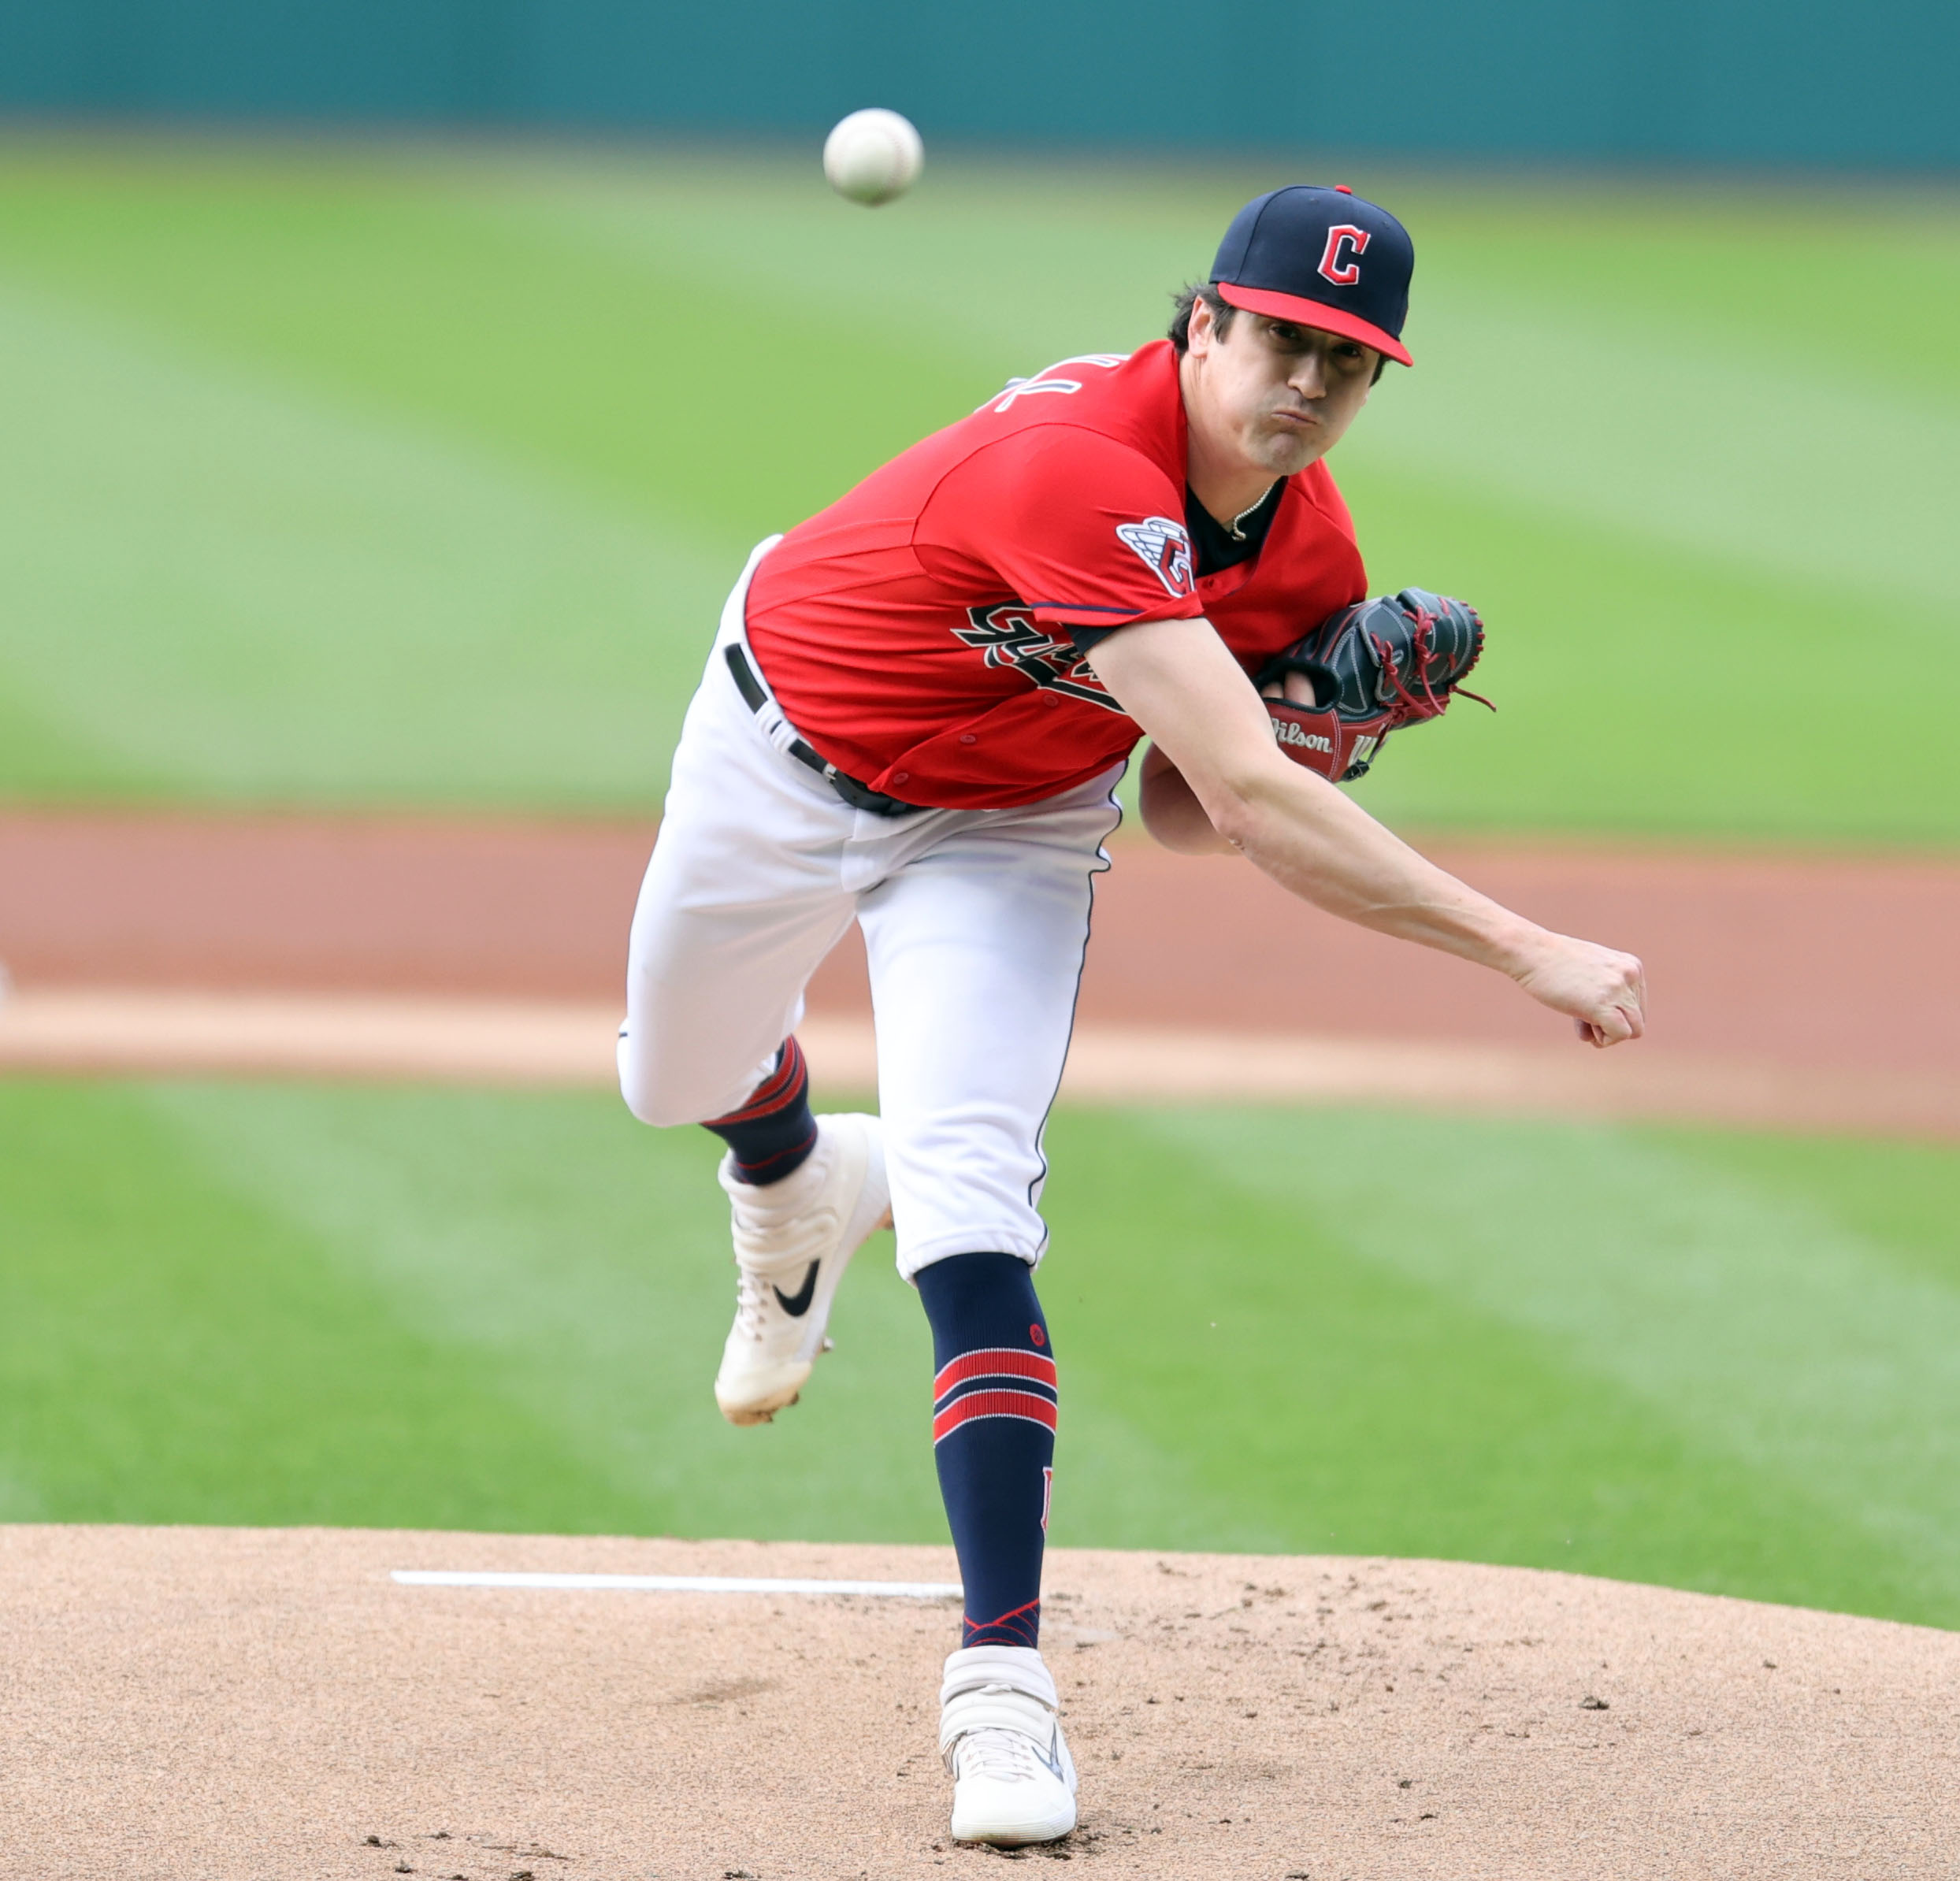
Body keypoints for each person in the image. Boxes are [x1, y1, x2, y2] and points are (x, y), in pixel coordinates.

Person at [617, 184, 1646, 1848]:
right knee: (671, 1082)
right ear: (1202, 323)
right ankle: (793, 1175)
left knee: (971, 1199)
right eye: (1282, 340)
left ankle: (1000, 1690)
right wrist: (1518, 947)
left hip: (1007, 832)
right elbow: (1240, 793)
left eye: (1349, 360)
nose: (1308, 383)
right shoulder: (1077, 468)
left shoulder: (1304, 549)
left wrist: (1323, 723)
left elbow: (1176, 803)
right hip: (778, 758)